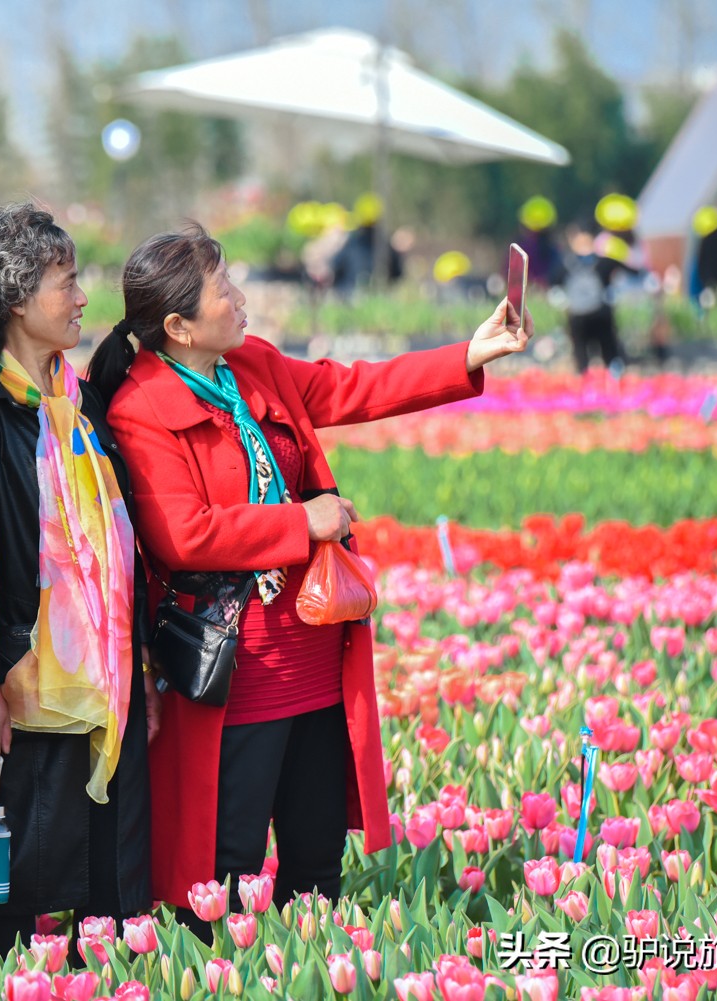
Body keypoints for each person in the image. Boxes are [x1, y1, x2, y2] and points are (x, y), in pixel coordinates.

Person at [88, 224, 531, 922]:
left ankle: (314, 961)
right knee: (226, 872)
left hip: (315, 651)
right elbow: (184, 535)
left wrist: (470, 354)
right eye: (222, 289)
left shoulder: (252, 366)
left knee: (317, 861)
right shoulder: (141, 409)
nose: (240, 298)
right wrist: (305, 523)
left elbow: (350, 388)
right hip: (235, 666)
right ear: (177, 325)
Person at [0, 203, 158, 952]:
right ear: (14, 300)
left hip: (109, 681)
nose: (81, 297)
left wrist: (143, 671)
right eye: (66, 281)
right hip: (23, 690)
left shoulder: (83, 405)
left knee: (111, 889)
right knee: (20, 886)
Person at [560, 222, 640, 374]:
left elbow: (551, 281)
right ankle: (614, 382)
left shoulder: (566, 263)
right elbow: (634, 272)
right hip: (601, 313)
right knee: (610, 351)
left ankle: (584, 385)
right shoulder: (604, 261)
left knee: (581, 355)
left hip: (577, 316)